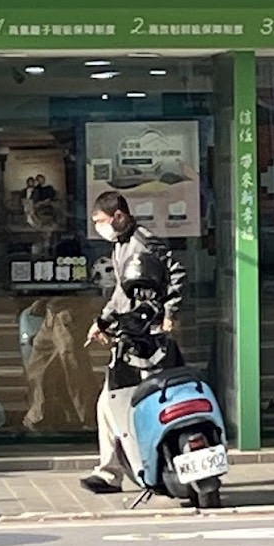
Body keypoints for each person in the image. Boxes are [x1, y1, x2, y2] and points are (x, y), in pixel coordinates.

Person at [79, 191, 186, 494]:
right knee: (110, 403)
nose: (99, 227)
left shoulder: (144, 242)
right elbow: (121, 293)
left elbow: (176, 274)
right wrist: (103, 321)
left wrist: (170, 313)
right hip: (130, 335)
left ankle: (154, 467)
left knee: (144, 401)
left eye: (101, 221)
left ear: (119, 216)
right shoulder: (120, 245)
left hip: (149, 339)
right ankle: (111, 472)